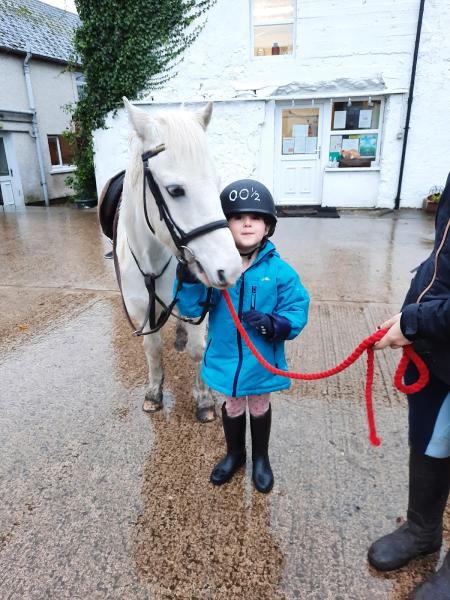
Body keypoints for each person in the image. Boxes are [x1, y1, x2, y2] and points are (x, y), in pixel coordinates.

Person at [175, 179, 310, 493]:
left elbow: (297, 307)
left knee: (259, 405)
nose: (247, 222)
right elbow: (191, 308)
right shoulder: (214, 268)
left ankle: (260, 458)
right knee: (233, 406)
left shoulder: (280, 272)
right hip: (225, 357)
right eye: (237, 217)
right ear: (225, 225)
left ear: (267, 226)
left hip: (260, 360)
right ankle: (235, 453)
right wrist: (189, 279)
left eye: (256, 217)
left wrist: (276, 324)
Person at [368, 172, 450, 599]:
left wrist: (415, 321)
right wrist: (412, 317)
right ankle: (422, 529)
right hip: (438, 348)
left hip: (433, 328)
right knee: (432, 440)